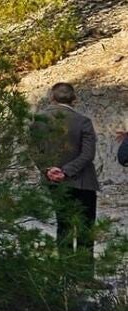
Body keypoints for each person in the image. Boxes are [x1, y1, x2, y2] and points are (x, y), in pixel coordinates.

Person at [43, 82, 98, 269]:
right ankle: (83, 275)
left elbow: (35, 150)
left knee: (64, 225)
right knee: (84, 228)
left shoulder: (39, 120)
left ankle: (65, 274)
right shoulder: (83, 121)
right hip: (83, 182)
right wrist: (67, 171)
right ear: (75, 99)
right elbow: (88, 154)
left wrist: (48, 169)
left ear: (51, 97)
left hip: (54, 181)